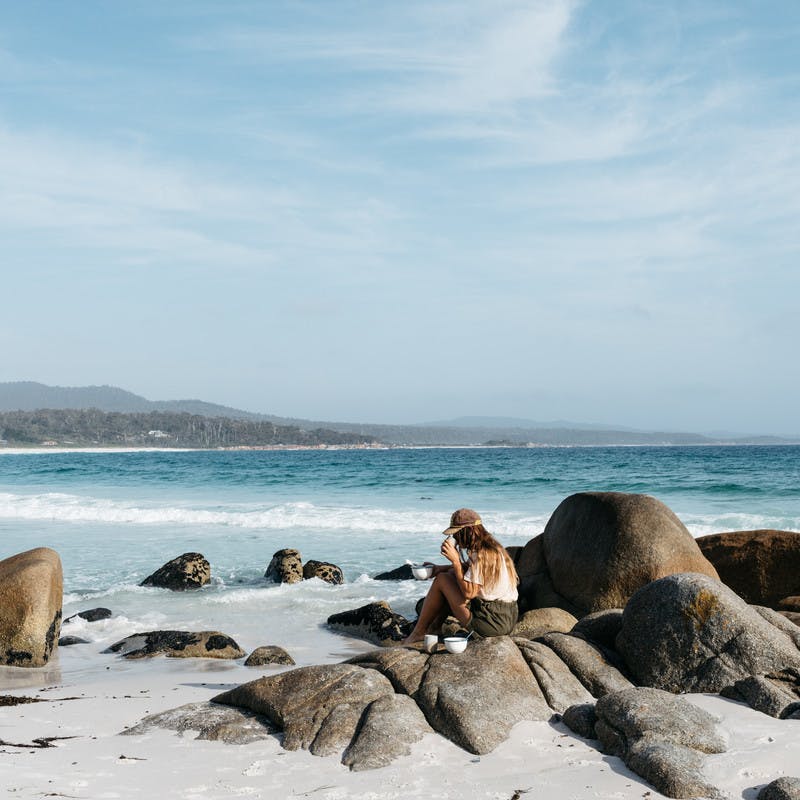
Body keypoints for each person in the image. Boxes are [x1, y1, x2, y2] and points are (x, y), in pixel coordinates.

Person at [401, 508, 519, 644]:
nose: (455, 538)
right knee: (449, 575)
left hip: (491, 623)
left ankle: (419, 632)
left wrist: (455, 561)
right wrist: (438, 568)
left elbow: (469, 592)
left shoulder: (482, 555)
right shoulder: (492, 548)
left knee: (442, 580)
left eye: (456, 533)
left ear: (468, 531)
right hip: (506, 617)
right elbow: (468, 570)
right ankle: (434, 628)